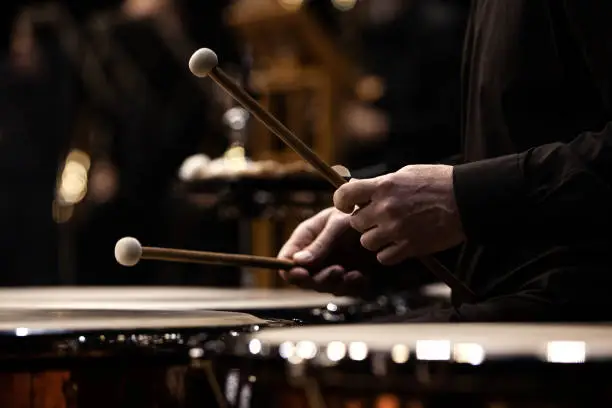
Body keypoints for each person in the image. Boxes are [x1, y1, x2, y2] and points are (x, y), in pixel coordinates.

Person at [278, 0, 612, 322]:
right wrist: (383, 229)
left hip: (572, 306)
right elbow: (515, 158)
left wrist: (464, 196)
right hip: (511, 296)